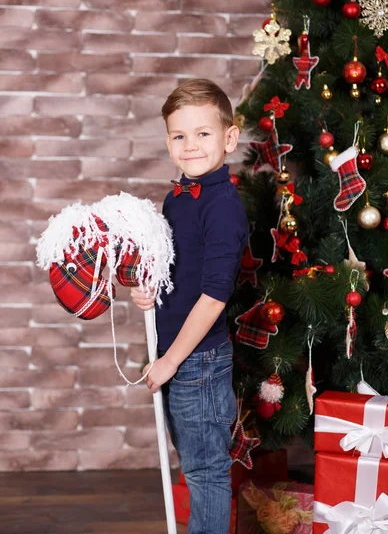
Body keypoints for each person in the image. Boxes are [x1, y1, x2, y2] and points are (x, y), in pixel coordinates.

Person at [130, 78, 248, 534]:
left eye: (203, 133)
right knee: (192, 464)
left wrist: (170, 361)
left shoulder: (221, 206)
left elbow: (215, 295)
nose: (190, 145)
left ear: (229, 138)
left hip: (196, 361)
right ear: (167, 142)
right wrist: (150, 292)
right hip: (176, 354)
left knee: (205, 472)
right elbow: (175, 272)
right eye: (179, 136)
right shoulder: (178, 196)